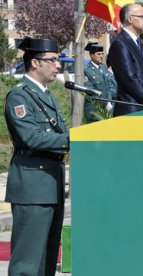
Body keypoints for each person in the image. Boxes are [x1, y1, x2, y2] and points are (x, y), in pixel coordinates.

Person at [4, 37, 69, 276]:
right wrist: (74, 139)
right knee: (28, 262)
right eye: (52, 60)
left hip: (51, 183)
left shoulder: (48, 95)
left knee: (47, 258)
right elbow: (30, 137)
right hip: (32, 186)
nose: (58, 65)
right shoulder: (19, 96)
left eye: (58, 60)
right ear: (34, 62)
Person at [108, 3, 143, 117]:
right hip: (132, 110)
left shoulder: (139, 43)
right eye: (142, 17)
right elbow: (129, 79)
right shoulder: (120, 43)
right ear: (130, 19)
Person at [84, 42, 117, 123]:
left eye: (102, 54)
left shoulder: (103, 67)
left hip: (105, 109)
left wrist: (108, 101)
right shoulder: (88, 70)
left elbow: (108, 86)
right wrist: (105, 103)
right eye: (99, 54)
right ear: (91, 55)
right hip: (94, 110)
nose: (101, 56)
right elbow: (90, 92)